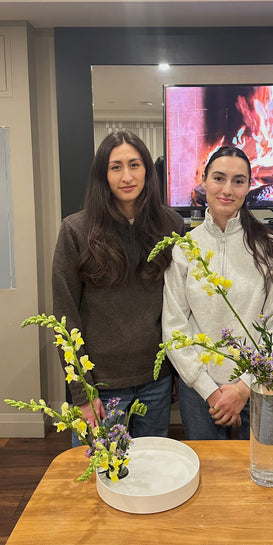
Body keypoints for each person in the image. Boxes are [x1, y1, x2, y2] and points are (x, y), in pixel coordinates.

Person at [52, 130, 184, 445]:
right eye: (116, 167)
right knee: (101, 479)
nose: (127, 176)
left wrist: (177, 372)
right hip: (100, 386)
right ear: (103, 175)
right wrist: (82, 394)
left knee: (150, 475)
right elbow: (64, 316)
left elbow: (179, 306)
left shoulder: (172, 226)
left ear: (147, 171)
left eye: (134, 165)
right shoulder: (76, 230)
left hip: (156, 382)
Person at [162, 145, 273, 440]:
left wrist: (244, 387)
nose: (227, 189)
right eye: (219, 178)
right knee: (213, 479)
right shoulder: (184, 249)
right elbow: (175, 329)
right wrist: (210, 391)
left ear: (249, 186)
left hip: (262, 382)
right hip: (200, 388)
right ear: (204, 180)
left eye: (238, 181)